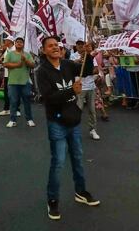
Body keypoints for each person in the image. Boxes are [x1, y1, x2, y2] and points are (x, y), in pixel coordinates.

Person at [35, 35, 100, 221]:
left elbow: (86, 70)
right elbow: (48, 98)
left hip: (74, 120)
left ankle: (81, 191)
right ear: (44, 50)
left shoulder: (67, 64)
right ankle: (52, 200)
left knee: (78, 159)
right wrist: (72, 91)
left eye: (56, 45)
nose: (55, 47)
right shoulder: (42, 71)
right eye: (50, 46)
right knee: (58, 162)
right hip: (56, 123)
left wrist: (87, 53)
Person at [3, 37, 36, 128]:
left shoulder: (27, 54)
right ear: (15, 43)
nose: (19, 43)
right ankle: (12, 120)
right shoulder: (10, 54)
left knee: (27, 102)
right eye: (17, 42)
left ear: (23, 44)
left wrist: (26, 60)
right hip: (12, 82)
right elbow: (5, 64)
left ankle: (29, 119)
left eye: (21, 42)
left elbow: (33, 65)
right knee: (13, 102)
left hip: (25, 82)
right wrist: (17, 65)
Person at [74, 41, 101, 140]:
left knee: (92, 110)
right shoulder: (73, 56)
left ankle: (92, 129)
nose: (81, 49)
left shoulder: (89, 57)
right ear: (76, 47)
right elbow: (73, 67)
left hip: (90, 86)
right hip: (80, 87)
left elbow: (95, 70)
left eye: (83, 47)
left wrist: (86, 66)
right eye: (79, 47)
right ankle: (74, 130)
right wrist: (79, 63)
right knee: (78, 109)